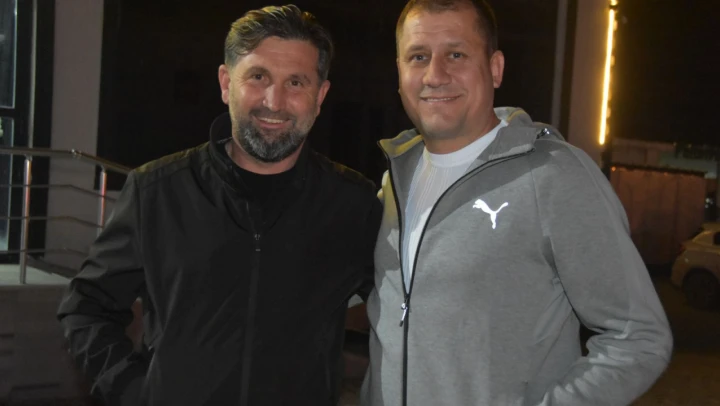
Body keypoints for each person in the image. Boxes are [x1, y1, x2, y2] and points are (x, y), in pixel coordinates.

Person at [57, 5, 381, 406]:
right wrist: (134, 390)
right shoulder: (156, 193)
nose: (274, 101)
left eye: (296, 82)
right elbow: (86, 307)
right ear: (226, 83)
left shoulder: (352, 204)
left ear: (320, 96)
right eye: (258, 77)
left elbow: (407, 308)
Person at [361, 1, 672, 405]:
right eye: (418, 56)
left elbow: (638, 336)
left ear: (495, 68)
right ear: (400, 72)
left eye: (456, 55)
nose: (435, 75)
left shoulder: (554, 175)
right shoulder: (394, 181)